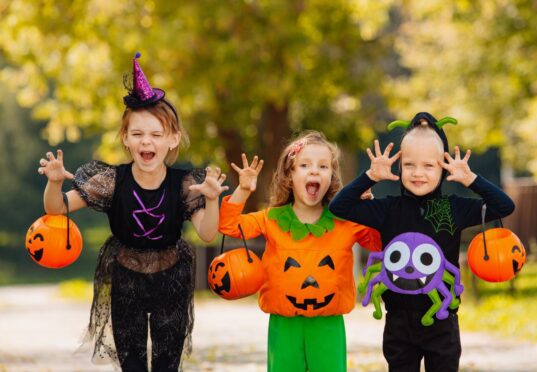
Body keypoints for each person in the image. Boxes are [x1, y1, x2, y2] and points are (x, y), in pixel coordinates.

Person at [37, 53, 228, 372]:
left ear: (173, 139)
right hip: (126, 279)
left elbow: (208, 233)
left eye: (156, 134)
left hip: (171, 279)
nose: (146, 141)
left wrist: (211, 202)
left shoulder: (184, 185)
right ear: (125, 138)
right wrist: (55, 184)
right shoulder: (111, 181)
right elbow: (56, 209)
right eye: (138, 134)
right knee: (133, 365)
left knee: (167, 364)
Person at [329, 112, 515, 372]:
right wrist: (370, 176)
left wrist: (471, 179)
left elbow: (504, 206)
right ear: (400, 165)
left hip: (442, 321)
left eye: (429, 166)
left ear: (443, 166)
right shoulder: (387, 209)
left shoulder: (453, 209)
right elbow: (339, 207)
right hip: (398, 324)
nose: (418, 173)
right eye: (409, 165)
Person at [219, 130, 382, 372]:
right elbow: (230, 226)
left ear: (331, 177)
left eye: (323, 166)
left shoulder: (345, 221)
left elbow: (378, 243)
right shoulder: (271, 219)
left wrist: (368, 208)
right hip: (284, 324)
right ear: (290, 175)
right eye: (305, 165)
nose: (314, 171)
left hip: (328, 324)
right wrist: (242, 190)